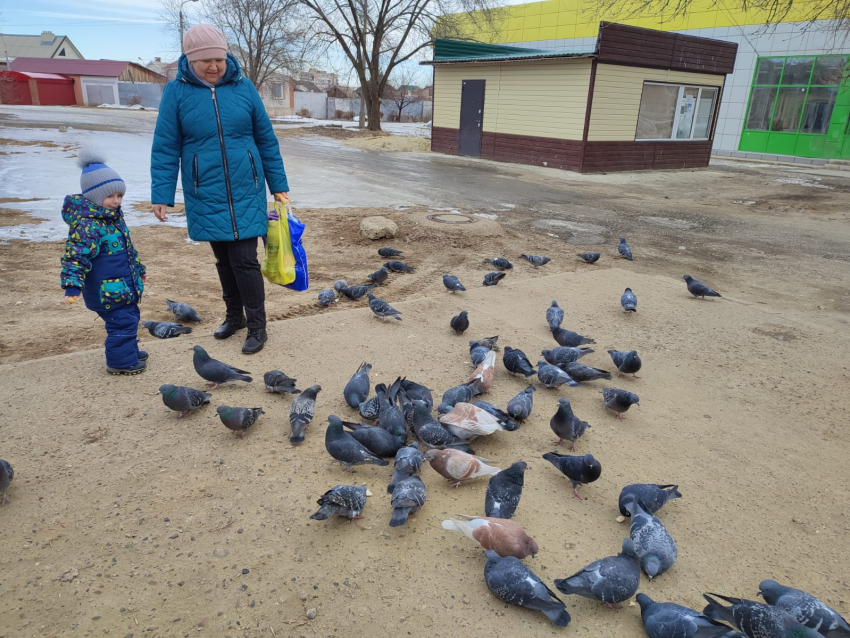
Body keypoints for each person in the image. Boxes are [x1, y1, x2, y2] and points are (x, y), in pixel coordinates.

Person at [150, 23, 289, 354]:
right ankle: (234, 317)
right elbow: (166, 145)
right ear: (189, 60)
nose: (213, 67)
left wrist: (278, 185)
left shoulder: (244, 88)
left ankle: (257, 326)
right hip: (205, 190)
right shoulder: (177, 92)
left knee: (244, 260)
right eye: (205, 61)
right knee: (224, 261)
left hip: (247, 185)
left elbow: (266, 139)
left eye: (219, 60)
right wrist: (162, 195)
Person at [61, 151, 147, 375]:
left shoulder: (114, 219)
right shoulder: (87, 226)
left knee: (129, 317)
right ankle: (121, 363)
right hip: (105, 290)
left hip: (124, 286)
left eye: (119, 195)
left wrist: (139, 269)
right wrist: (72, 285)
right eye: (111, 196)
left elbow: (129, 250)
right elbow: (75, 256)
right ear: (94, 196)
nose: (116, 201)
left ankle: (128, 351)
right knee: (120, 323)